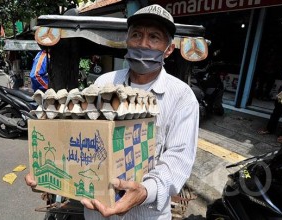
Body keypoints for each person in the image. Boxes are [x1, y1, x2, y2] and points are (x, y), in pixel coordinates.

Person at [25, 4, 199, 219]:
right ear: (127, 40)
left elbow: (178, 159)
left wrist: (145, 191)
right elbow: (80, 139)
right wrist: (50, 172)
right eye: (136, 35)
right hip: (96, 211)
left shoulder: (181, 96)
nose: (143, 43)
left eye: (154, 37)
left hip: (145, 214)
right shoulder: (104, 83)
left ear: (169, 49)